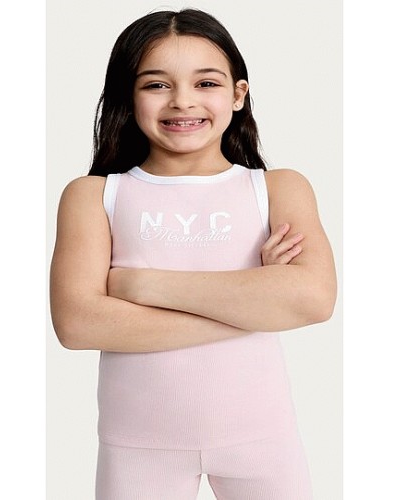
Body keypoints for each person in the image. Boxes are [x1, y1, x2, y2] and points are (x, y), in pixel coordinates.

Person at [50, 8, 337, 500]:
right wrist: (258, 304)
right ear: (128, 95)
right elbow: (78, 324)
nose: (182, 100)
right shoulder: (95, 196)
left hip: (263, 437)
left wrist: (141, 285)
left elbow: (313, 299)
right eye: (156, 84)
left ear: (238, 94)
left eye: (206, 83)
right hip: (136, 445)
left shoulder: (278, 189)